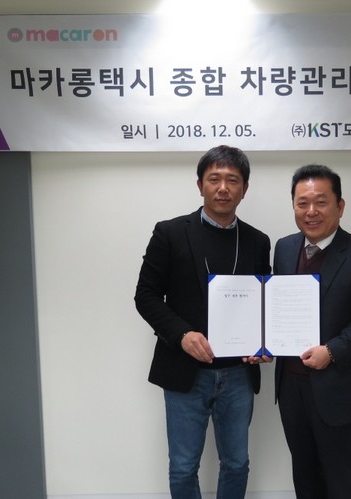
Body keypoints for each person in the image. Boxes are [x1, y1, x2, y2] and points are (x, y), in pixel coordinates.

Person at [134, 145, 271, 499]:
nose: (223, 188)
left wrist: (266, 342)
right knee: (183, 467)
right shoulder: (169, 233)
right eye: (214, 179)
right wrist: (182, 334)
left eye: (232, 180)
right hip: (184, 371)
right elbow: (146, 296)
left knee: (237, 463)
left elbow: (265, 302)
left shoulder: (257, 241)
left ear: (244, 189)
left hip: (239, 373)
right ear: (200, 185)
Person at [273, 164, 351, 499]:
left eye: (321, 202)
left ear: (340, 206)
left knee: (341, 479)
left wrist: (332, 351)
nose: (311, 211)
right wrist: (263, 343)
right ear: (294, 206)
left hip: (336, 387)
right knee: (304, 474)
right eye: (302, 203)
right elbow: (276, 305)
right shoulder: (284, 248)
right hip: (291, 387)